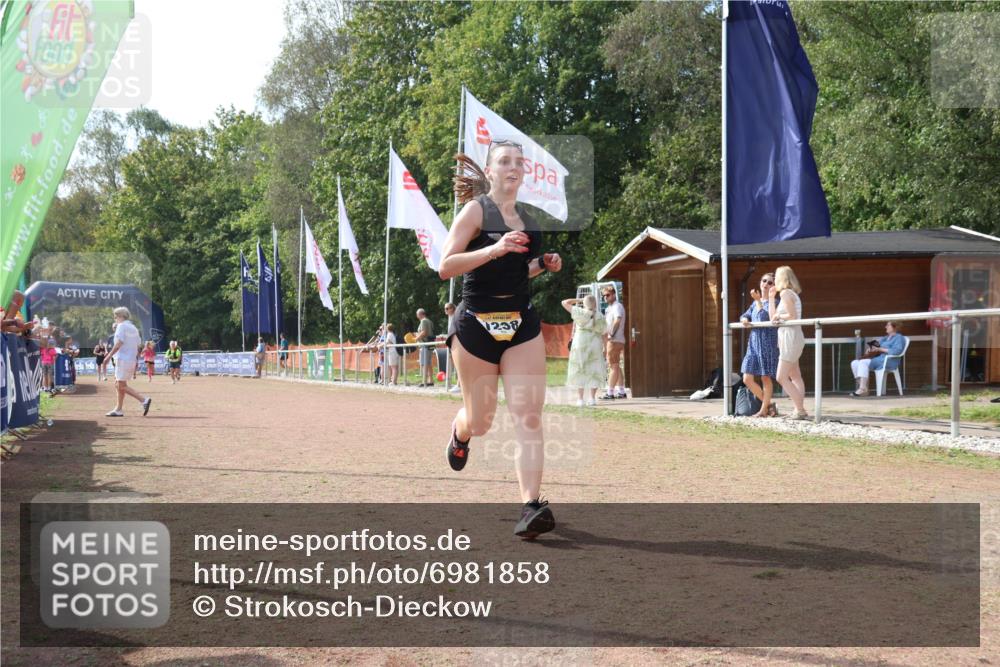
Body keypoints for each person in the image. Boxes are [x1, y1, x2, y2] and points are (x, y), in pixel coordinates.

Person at [442, 139, 563, 539]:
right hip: (477, 323)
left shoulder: (529, 219)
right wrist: (494, 248)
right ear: (491, 171)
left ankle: (531, 506)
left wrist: (541, 266)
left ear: (524, 172)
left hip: (521, 323)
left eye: (519, 162)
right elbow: (446, 266)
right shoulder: (475, 211)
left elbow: (517, 273)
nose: (513, 167)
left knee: (528, 415)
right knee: (481, 420)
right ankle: (460, 434)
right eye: (504, 161)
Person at [739, 273, 780, 417]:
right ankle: (768, 405)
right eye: (764, 281)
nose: (766, 284)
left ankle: (763, 410)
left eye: (770, 283)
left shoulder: (775, 301)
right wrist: (744, 319)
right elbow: (746, 314)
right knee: (747, 378)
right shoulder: (754, 303)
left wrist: (758, 301)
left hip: (767, 342)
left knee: (765, 377)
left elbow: (765, 316)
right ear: (760, 282)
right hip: (754, 343)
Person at [770, 266, 807, 419]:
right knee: (795, 375)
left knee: (781, 376)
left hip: (790, 337)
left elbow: (792, 316)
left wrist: (780, 318)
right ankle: (798, 409)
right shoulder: (788, 294)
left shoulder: (786, 293)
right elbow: (772, 318)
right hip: (791, 336)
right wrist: (771, 298)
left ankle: (800, 409)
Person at [101, 307, 152, 417]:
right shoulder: (134, 328)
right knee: (119, 384)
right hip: (130, 359)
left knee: (120, 385)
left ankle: (144, 400)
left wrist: (108, 356)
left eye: (115, 317)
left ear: (120, 316)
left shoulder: (121, 326)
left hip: (123, 359)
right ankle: (118, 409)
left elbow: (119, 343)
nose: (115, 319)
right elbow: (139, 344)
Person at [562, 294, 606, 406]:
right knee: (594, 369)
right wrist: (605, 346)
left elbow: (564, 302)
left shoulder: (579, 312)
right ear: (595, 303)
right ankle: (592, 399)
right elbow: (604, 332)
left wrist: (579, 300)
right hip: (594, 343)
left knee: (579, 368)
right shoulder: (600, 315)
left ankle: (580, 399)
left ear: (584, 303)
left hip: (580, 343)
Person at [850, 321, 906, 396]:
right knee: (854, 363)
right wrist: (870, 349)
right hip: (878, 360)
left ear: (894, 327)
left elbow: (897, 351)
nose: (885, 327)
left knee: (863, 362)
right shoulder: (885, 338)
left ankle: (862, 389)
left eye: (888, 325)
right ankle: (864, 388)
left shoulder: (899, 338)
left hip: (888, 361)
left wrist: (880, 349)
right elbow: (876, 345)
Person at [599, 286, 627, 400]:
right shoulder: (609, 308)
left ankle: (610, 393)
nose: (606, 297)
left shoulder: (617, 306)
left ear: (614, 294)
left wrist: (611, 334)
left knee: (613, 366)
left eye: (608, 295)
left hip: (615, 340)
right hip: (614, 340)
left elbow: (618, 320)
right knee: (616, 366)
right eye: (604, 295)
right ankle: (621, 391)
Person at [443, 302, 461, 393]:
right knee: (457, 365)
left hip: (458, 344)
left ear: (452, 308)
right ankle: (459, 384)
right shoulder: (452, 317)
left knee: (459, 365)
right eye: (445, 308)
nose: (445, 310)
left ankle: (459, 385)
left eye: (447, 308)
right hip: (454, 344)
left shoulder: (457, 316)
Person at [414, 308, 435, 387]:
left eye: (417, 314)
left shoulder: (423, 321)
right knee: (428, 363)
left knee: (424, 363)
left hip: (425, 344)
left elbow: (424, 332)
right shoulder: (429, 321)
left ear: (420, 314)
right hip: (430, 343)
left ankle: (424, 381)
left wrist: (416, 338)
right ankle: (430, 381)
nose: (416, 316)